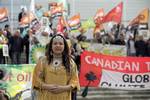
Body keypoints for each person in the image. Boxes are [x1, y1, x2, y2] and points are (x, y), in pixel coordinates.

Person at [32, 34, 80, 100]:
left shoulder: (71, 63)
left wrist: (63, 88)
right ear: (51, 46)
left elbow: (74, 81)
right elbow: (36, 79)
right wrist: (47, 87)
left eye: (60, 44)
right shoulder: (42, 61)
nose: (58, 45)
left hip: (63, 97)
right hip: (45, 97)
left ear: (64, 46)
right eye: (55, 43)